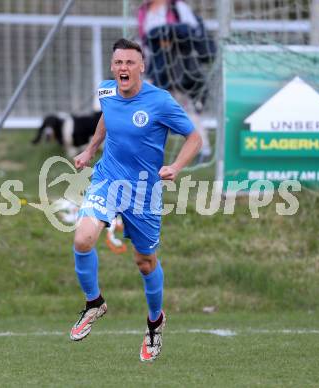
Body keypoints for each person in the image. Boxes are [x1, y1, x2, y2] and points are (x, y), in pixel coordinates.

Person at [69, 38, 202, 362]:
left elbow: (194, 137)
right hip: (107, 179)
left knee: (144, 262)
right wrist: (91, 149)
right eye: (118, 63)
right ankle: (94, 303)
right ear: (112, 66)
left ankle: (155, 321)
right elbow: (106, 117)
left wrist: (176, 166)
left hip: (144, 190)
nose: (123, 68)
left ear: (141, 66)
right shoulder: (106, 91)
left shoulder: (160, 101)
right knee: (84, 239)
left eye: (130, 63)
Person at [138, 0, 212, 160]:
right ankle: (143, 150)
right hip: (156, 69)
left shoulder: (178, 7)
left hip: (179, 68)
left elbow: (194, 33)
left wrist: (171, 32)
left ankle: (202, 147)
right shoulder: (144, 11)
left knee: (186, 109)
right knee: (147, 109)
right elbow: (145, 43)